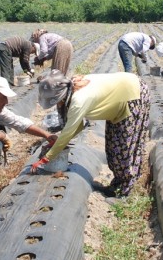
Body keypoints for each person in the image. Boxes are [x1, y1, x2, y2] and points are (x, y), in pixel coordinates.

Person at [32, 70, 151, 198]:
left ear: (59, 96)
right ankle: (117, 185)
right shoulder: (72, 87)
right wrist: (59, 142)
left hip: (132, 94)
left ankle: (125, 192)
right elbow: (79, 126)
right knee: (112, 147)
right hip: (118, 98)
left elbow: (68, 132)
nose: (56, 104)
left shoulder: (79, 100)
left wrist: (46, 158)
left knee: (124, 149)